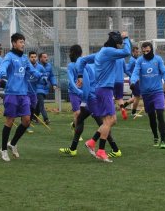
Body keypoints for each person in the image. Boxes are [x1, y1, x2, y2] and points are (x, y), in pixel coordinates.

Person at [70, 31, 131, 162]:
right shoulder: (108, 51)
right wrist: (126, 38)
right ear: (115, 43)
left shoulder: (102, 52)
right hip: (104, 90)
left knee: (113, 120)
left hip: (104, 90)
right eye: (119, 43)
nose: (120, 46)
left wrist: (80, 75)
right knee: (108, 121)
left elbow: (82, 60)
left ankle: (92, 142)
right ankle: (101, 151)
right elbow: (127, 52)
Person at [60, 62, 122, 159]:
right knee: (80, 119)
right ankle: (73, 148)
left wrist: (83, 98)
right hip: (92, 97)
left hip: (92, 98)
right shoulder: (90, 64)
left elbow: (88, 83)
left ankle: (115, 149)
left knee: (104, 123)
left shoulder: (87, 66)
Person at [0, 33, 44, 162]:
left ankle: (12, 143)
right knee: (10, 121)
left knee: (26, 121)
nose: (23, 44)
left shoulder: (24, 58)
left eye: (23, 42)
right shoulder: (9, 56)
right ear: (13, 43)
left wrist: (41, 76)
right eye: (20, 42)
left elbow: (31, 70)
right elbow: (3, 67)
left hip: (24, 94)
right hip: (12, 94)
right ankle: (3, 150)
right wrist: (3, 75)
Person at [130, 42, 165, 149]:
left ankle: (163, 140)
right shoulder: (139, 60)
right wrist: (133, 82)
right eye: (143, 51)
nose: (146, 53)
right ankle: (155, 136)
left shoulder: (158, 59)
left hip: (157, 92)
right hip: (146, 93)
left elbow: (164, 72)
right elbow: (135, 72)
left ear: (151, 50)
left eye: (147, 51)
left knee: (160, 115)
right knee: (151, 117)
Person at [26, 51, 45, 133]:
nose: (33, 58)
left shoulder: (40, 67)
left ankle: (28, 122)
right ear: (29, 58)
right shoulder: (26, 66)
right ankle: (27, 125)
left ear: (37, 58)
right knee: (26, 108)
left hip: (34, 91)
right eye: (31, 57)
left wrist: (44, 79)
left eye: (34, 57)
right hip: (25, 91)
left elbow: (44, 76)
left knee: (32, 108)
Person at [35, 52, 57, 124]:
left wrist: (54, 84)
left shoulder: (49, 66)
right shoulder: (36, 66)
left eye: (46, 57)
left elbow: (52, 76)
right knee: (41, 103)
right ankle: (46, 119)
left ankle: (34, 117)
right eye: (44, 57)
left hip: (45, 88)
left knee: (38, 104)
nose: (46, 58)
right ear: (40, 58)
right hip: (37, 88)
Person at [123, 46, 142, 117]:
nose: (137, 53)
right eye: (136, 52)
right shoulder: (132, 60)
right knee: (137, 96)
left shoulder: (137, 59)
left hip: (137, 81)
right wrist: (133, 77)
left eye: (138, 52)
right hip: (134, 81)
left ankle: (124, 105)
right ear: (133, 52)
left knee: (137, 96)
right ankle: (133, 113)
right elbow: (127, 70)